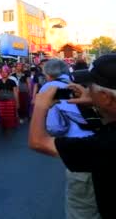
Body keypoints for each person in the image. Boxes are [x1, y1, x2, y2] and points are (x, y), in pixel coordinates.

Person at [28, 53, 116, 219]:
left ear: (106, 97)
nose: (86, 90)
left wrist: (40, 106)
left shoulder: (102, 145)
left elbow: (38, 142)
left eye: (90, 86)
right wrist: (96, 102)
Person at [40, 59, 101, 219]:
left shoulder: (50, 88)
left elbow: (54, 127)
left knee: (81, 208)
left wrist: (41, 107)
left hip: (79, 152)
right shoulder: (76, 83)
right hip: (102, 140)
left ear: (48, 74)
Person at [0, 66, 19, 132]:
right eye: (2, 72)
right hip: (1, 102)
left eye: (5, 72)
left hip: (10, 102)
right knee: (2, 115)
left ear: (8, 73)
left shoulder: (12, 82)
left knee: (10, 115)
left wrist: (17, 102)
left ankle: (10, 127)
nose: (3, 73)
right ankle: (3, 126)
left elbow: (15, 93)